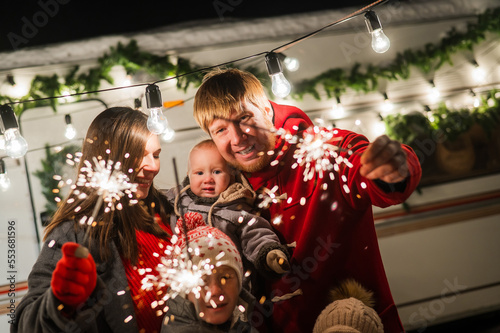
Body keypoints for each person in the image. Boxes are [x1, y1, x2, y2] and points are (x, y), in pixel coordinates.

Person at [192, 68, 422, 332]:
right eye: (221, 129)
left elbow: (364, 166)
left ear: (267, 110)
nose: (237, 137)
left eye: (245, 118)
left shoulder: (323, 151)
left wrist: (392, 167)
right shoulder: (223, 189)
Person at [12, 107, 174, 333]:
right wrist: (61, 302)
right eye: (138, 155)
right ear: (107, 159)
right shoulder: (74, 234)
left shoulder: (173, 208)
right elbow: (24, 325)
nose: (153, 166)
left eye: (156, 155)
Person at [164, 139, 290, 284]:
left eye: (217, 171)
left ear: (231, 173)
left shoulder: (236, 207)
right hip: (186, 282)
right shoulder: (177, 200)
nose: (208, 179)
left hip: (229, 284)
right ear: (189, 174)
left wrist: (268, 253)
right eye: (199, 173)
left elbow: (255, 234)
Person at [161, 221, 256, 332]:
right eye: (201, 281)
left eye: (225, 278)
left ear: (239, 283)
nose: (215, 291)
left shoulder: (239, 318)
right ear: (182, 290)